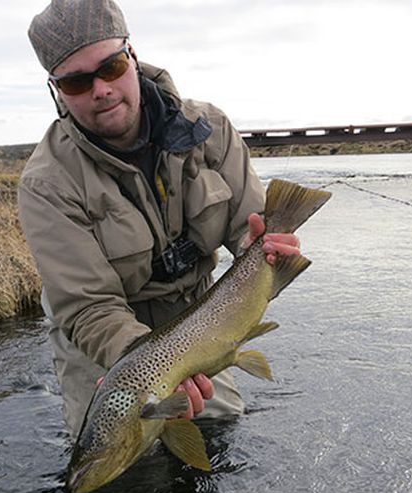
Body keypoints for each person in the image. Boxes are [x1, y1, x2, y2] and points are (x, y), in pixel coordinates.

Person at [19, 0, 301, 438]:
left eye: (110, 67)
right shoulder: (47, 184)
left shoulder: (210, 129)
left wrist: (266, 248)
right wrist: (149, 368)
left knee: (217, 430)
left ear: (132, 57)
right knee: (116, 464)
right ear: (56, 90)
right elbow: (88, 307)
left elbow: (251, 228)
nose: (101, 89)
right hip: (106, 344)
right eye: (77, 81)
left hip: (196, 320)